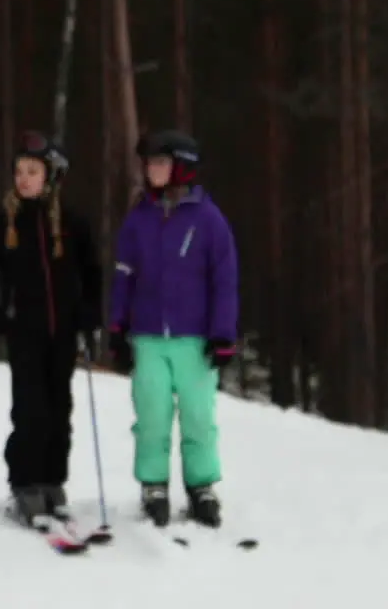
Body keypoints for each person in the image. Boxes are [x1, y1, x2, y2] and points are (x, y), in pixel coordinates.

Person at [0, 131, 103, 526]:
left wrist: (89, 316)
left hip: (62, 331)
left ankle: (51, 481)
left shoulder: (72, 223)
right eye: (19, 171)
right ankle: (24, 483)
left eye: (32, 171)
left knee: (60, 408)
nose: (24, 179)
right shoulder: (2, 222)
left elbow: (91, 272)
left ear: (51, 177)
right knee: (31, 410)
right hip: (23, 330)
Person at [107, 129, 238, 529]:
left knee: (198, 415)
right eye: (149, 163)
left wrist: (223, 335)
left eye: (160, 163)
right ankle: (154, 484)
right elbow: (124, 275)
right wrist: (117, 327)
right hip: (148, 336)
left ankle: (201, 486)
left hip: (195, 339)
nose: (152, 170)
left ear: (182, 168)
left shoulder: (209, 220)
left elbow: (225, 280)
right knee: (152, 414)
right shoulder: (139, 218)